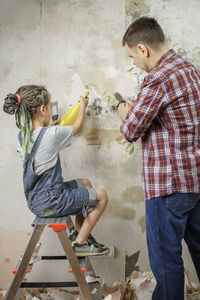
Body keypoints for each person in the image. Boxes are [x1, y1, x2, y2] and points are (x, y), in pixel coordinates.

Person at [118, 17, 200, 300]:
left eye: (132, 56)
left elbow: (130, 131)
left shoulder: (158, 79)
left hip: (167, 186)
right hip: (194, 183)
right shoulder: (191, 71)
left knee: (166, 263)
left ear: (143, 49)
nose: (134, 63)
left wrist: (124, 112)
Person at [3, 85, 109, 257]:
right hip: (54, 201)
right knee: (101, 196)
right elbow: (77, 127)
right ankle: (80, 243)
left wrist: (52, 126)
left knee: (85, 184)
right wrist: (82, 106)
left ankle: (76, 233)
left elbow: (41, 139)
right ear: (43, 109)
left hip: (35, 201)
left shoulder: (22, 136)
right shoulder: (51, 134)